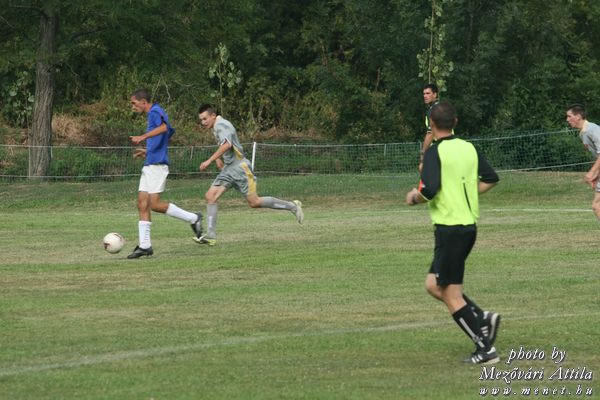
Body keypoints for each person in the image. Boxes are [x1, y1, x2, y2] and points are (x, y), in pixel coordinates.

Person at [405, 101, 501, 364]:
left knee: (450, 294)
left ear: (432, 124)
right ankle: (481, 318)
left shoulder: (435, 152)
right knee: (433, 285)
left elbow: (428, 190)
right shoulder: (469, 147)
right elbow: (491, 178)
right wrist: (466, 192)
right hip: (467, 228)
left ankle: (485, 349)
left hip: (450, 229)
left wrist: (413, 197)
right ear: (455, 122)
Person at [194, 104, 303, 246]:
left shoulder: (222, 125)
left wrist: (209, 160)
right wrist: (219, 159)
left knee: (254, 202)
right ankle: (211, 235)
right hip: (229, 169)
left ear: (213, 116)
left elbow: (227, 145)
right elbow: (224, 144)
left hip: (240, 169)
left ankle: (292, 206)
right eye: (201, 120)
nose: (203, 122)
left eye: (205, 119)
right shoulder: (216, 126)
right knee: (210, 196)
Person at [127, 88, 203, 258]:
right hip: (150, 163)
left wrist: (142, 137)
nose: (133, 106)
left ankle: (193, 218)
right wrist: (148, 151)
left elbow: (164, 128)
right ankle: (145, 246)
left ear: (143, 102)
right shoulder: (153, 114)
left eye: (134, 103)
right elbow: (166, 134)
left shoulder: (155, 111)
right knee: (142, 203)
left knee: (154, 204)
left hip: (157, 166)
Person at [566, 104, 600, 220]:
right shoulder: (583, 133)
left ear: (578, 116)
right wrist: (596, 174)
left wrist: (591, 172)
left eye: (569, 116)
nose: (567, 120)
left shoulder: (592, 129)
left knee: (597, 206)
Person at [419, 83, 440, 172]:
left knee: (428, 175)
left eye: (428, 93)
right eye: (424, 94)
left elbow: (430, 133)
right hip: (448, 146)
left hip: (437, 148)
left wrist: (423, 154)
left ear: (435, 94)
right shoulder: (442, 108)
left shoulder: (433, 110)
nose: (425, 96)